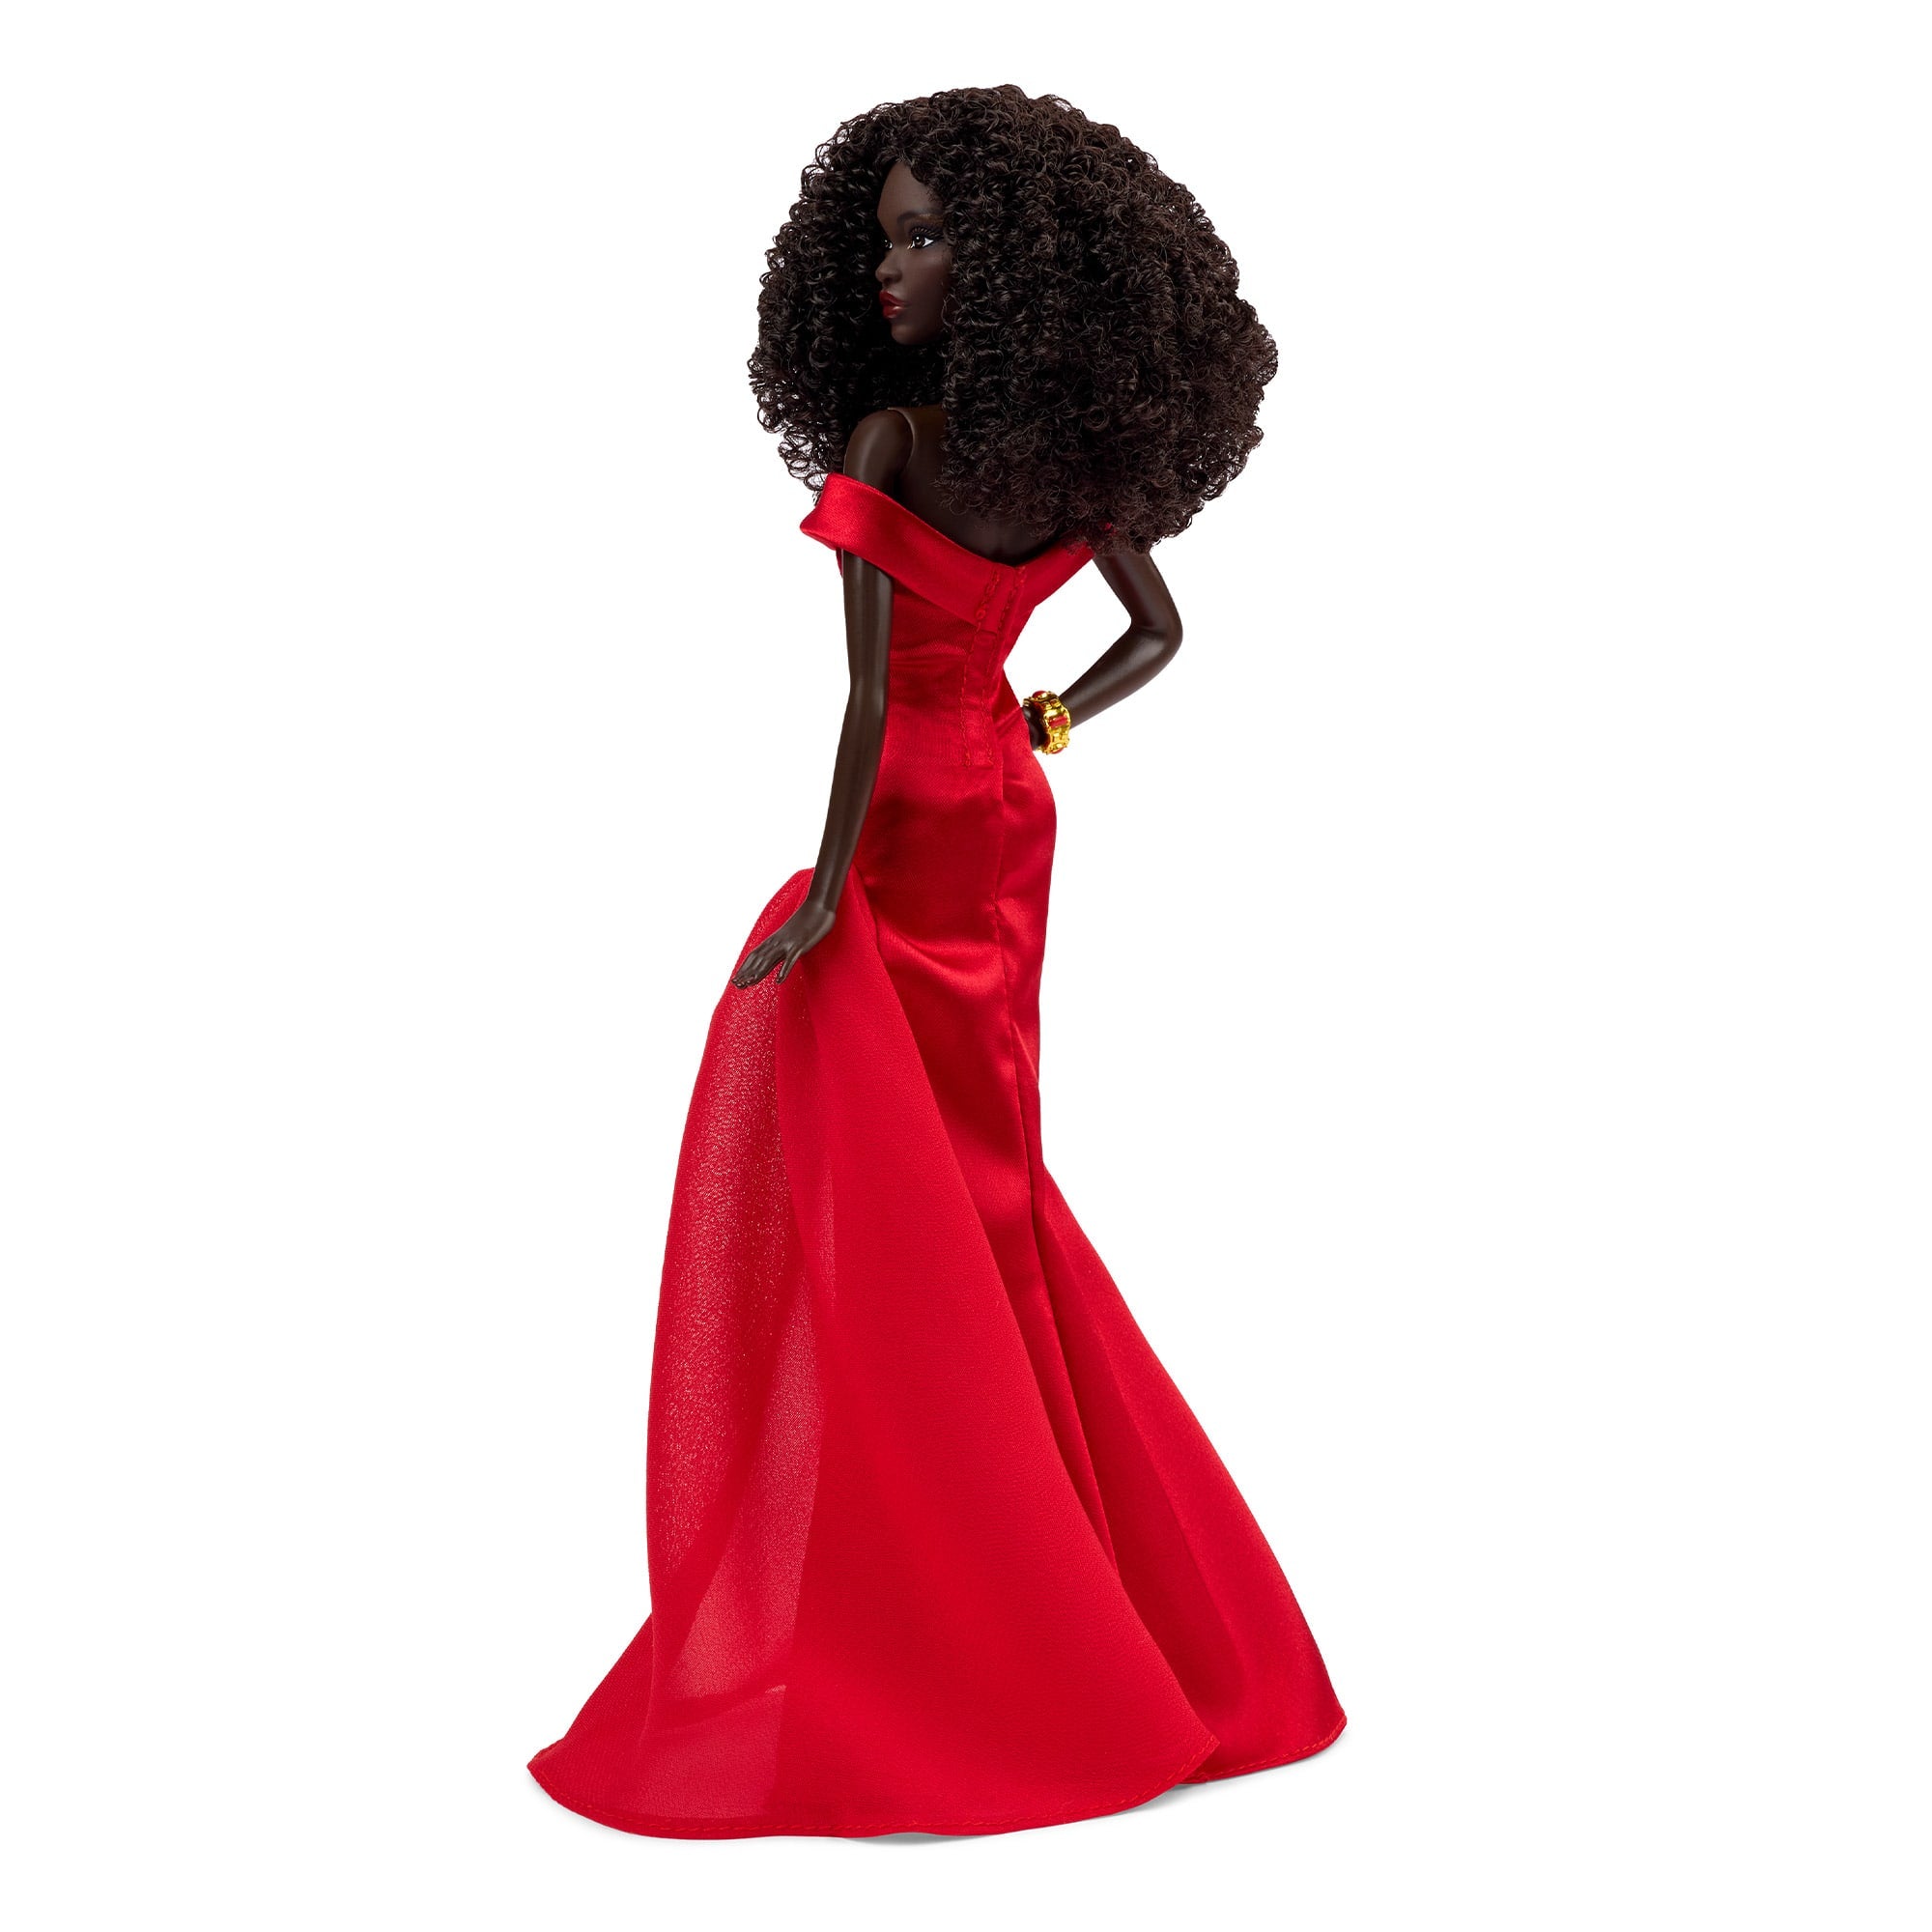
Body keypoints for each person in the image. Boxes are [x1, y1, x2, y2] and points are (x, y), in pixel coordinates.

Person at [528, 84, 1345, 1840]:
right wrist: (1044, 719)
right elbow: (1157, 632)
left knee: (927, 1188)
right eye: (882, 238)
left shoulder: (895, 441)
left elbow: (860, 697)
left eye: (922, 236)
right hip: (1003, 814)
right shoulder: (1054, 469)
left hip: (910, 814)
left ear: (1020, 265)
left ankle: (987, 1597)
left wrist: (828, 885)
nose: (889, 269)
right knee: (985, 1187)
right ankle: (1042, 1571)